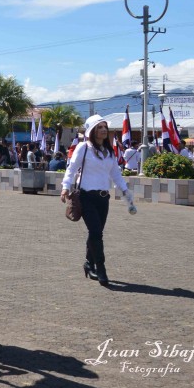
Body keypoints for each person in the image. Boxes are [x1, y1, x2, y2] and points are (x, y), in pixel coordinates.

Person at [60, 115, 136, 286]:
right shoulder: (83, 148)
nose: (103, 130)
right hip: (86, 197)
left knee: (95, 233)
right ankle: (100, 268)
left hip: (103, 199)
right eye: (99, 127)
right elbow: (71, 169)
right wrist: (65, 186)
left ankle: (89, 263)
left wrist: (125, 191)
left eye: (104, 127)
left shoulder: (109, 151)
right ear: (92, 131)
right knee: (96, 232)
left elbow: (115, 174)